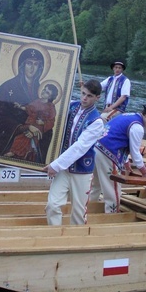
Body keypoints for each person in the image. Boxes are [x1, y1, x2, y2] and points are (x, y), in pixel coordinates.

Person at [43, 79, 104, 225]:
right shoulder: (70, 106)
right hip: (63, 169)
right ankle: (55, 236)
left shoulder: (97, 122)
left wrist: (55, 165)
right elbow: (54, 103)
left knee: (78, 211)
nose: (84, 98)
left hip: (81, 171)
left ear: (97, 98)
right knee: (52, 206)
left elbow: (80, 147)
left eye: (89, 96)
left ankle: (77, 242)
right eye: (83, 93)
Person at [0, 46, 52, 163]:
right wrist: (25, 128)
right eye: (29, 63)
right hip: (8, 137)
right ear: (22, 65)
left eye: (36, 64)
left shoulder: (42, 91)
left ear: (40, 68)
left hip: (34, 137)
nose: (32, 68)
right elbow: (1, 119)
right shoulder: (6, 88)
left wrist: (40, 127)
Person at [91, 104, 146, 213]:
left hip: (96, 148)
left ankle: (89, 210)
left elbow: (119, 137)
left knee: (96, 185)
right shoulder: (138, 127)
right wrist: (144, 171)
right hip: (109, 153)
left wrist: (126, 163)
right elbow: (135, 153)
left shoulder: (128, 115)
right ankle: (111, 216)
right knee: (113, 191)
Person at [5, 82, 58, 160]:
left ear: (50, 96)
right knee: (19, 138)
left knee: (27, 139)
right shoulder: (37, 101)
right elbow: (28, 108)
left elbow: (51, 121)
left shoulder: (51, 107)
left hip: (39, 126)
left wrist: (43, 123)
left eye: (47, 92)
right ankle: (14, 152)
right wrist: (20, 107)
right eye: (44, 89)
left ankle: (16, 153)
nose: (44, 92)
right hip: (30, 123)